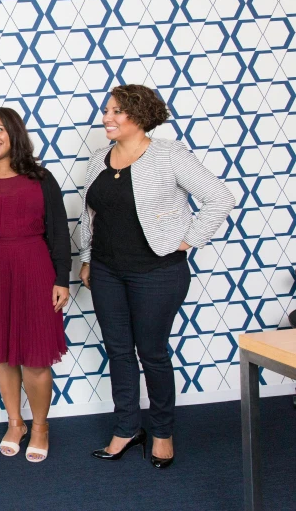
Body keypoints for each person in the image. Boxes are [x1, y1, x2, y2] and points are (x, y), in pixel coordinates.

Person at [79, 84, 235, 469]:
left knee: (151, 352)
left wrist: (188, 241)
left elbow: (220, 197)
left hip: (157, 272)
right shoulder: (99, 159)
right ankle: (127, 428)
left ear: (141, 115)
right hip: (105, 271)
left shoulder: (169, 155)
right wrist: (85, 258)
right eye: (107, 110)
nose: (107, 118)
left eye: (117, 111)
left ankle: (162, 431)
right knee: (118, 351)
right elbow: (89, 215)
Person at [0, 107, 71, 463]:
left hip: (34, 270)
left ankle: (39, 427)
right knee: (2, 353)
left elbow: (59, 231)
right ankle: (15, 422)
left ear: (14, 133)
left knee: (35, 356)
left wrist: (61, 278)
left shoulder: (41, 178)